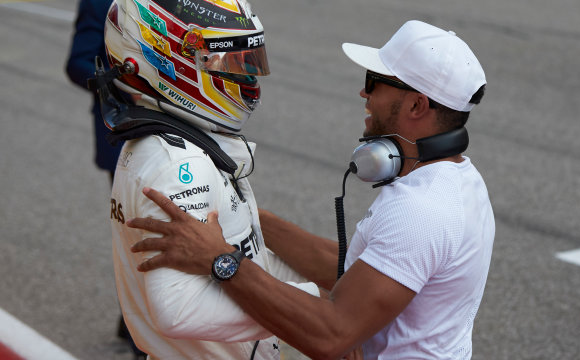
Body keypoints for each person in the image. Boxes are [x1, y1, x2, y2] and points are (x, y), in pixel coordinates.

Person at [126, 20, 496, 359]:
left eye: (374, 81)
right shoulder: (457, 178)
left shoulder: (422, 209)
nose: (362, 93)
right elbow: (355, 269)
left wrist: (219, 259)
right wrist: (248, 215)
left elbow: (331, 334)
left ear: (417, 104)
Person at [99, 0, 321, 359]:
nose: (248, 77)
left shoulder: (183, 142)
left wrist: (323, 283)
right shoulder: (179, 165)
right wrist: (315, 308)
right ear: (168, 59)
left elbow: (245, 257)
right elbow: (178, 311)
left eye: (249, 60)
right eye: (230, 62)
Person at [65, 0, 163, 358]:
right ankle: (142, 335)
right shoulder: (99, 0)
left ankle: (136, 322)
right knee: (138, 237)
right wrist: (124, 82)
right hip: (121, 138)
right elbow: (76, 64)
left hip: (172, 134)